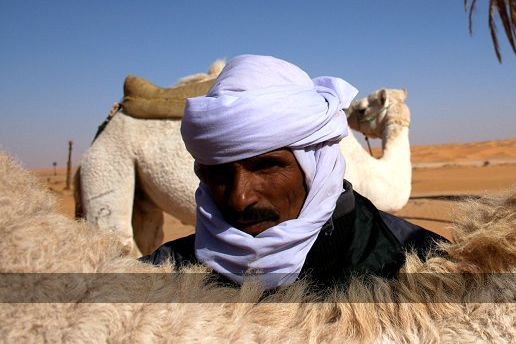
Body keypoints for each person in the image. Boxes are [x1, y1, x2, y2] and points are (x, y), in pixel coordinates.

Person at [141, 54, 446, 292]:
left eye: (266, 166)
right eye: (218, 173)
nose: (239, 197)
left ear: (317, 163)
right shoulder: (162, 274)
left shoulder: (422, 267)